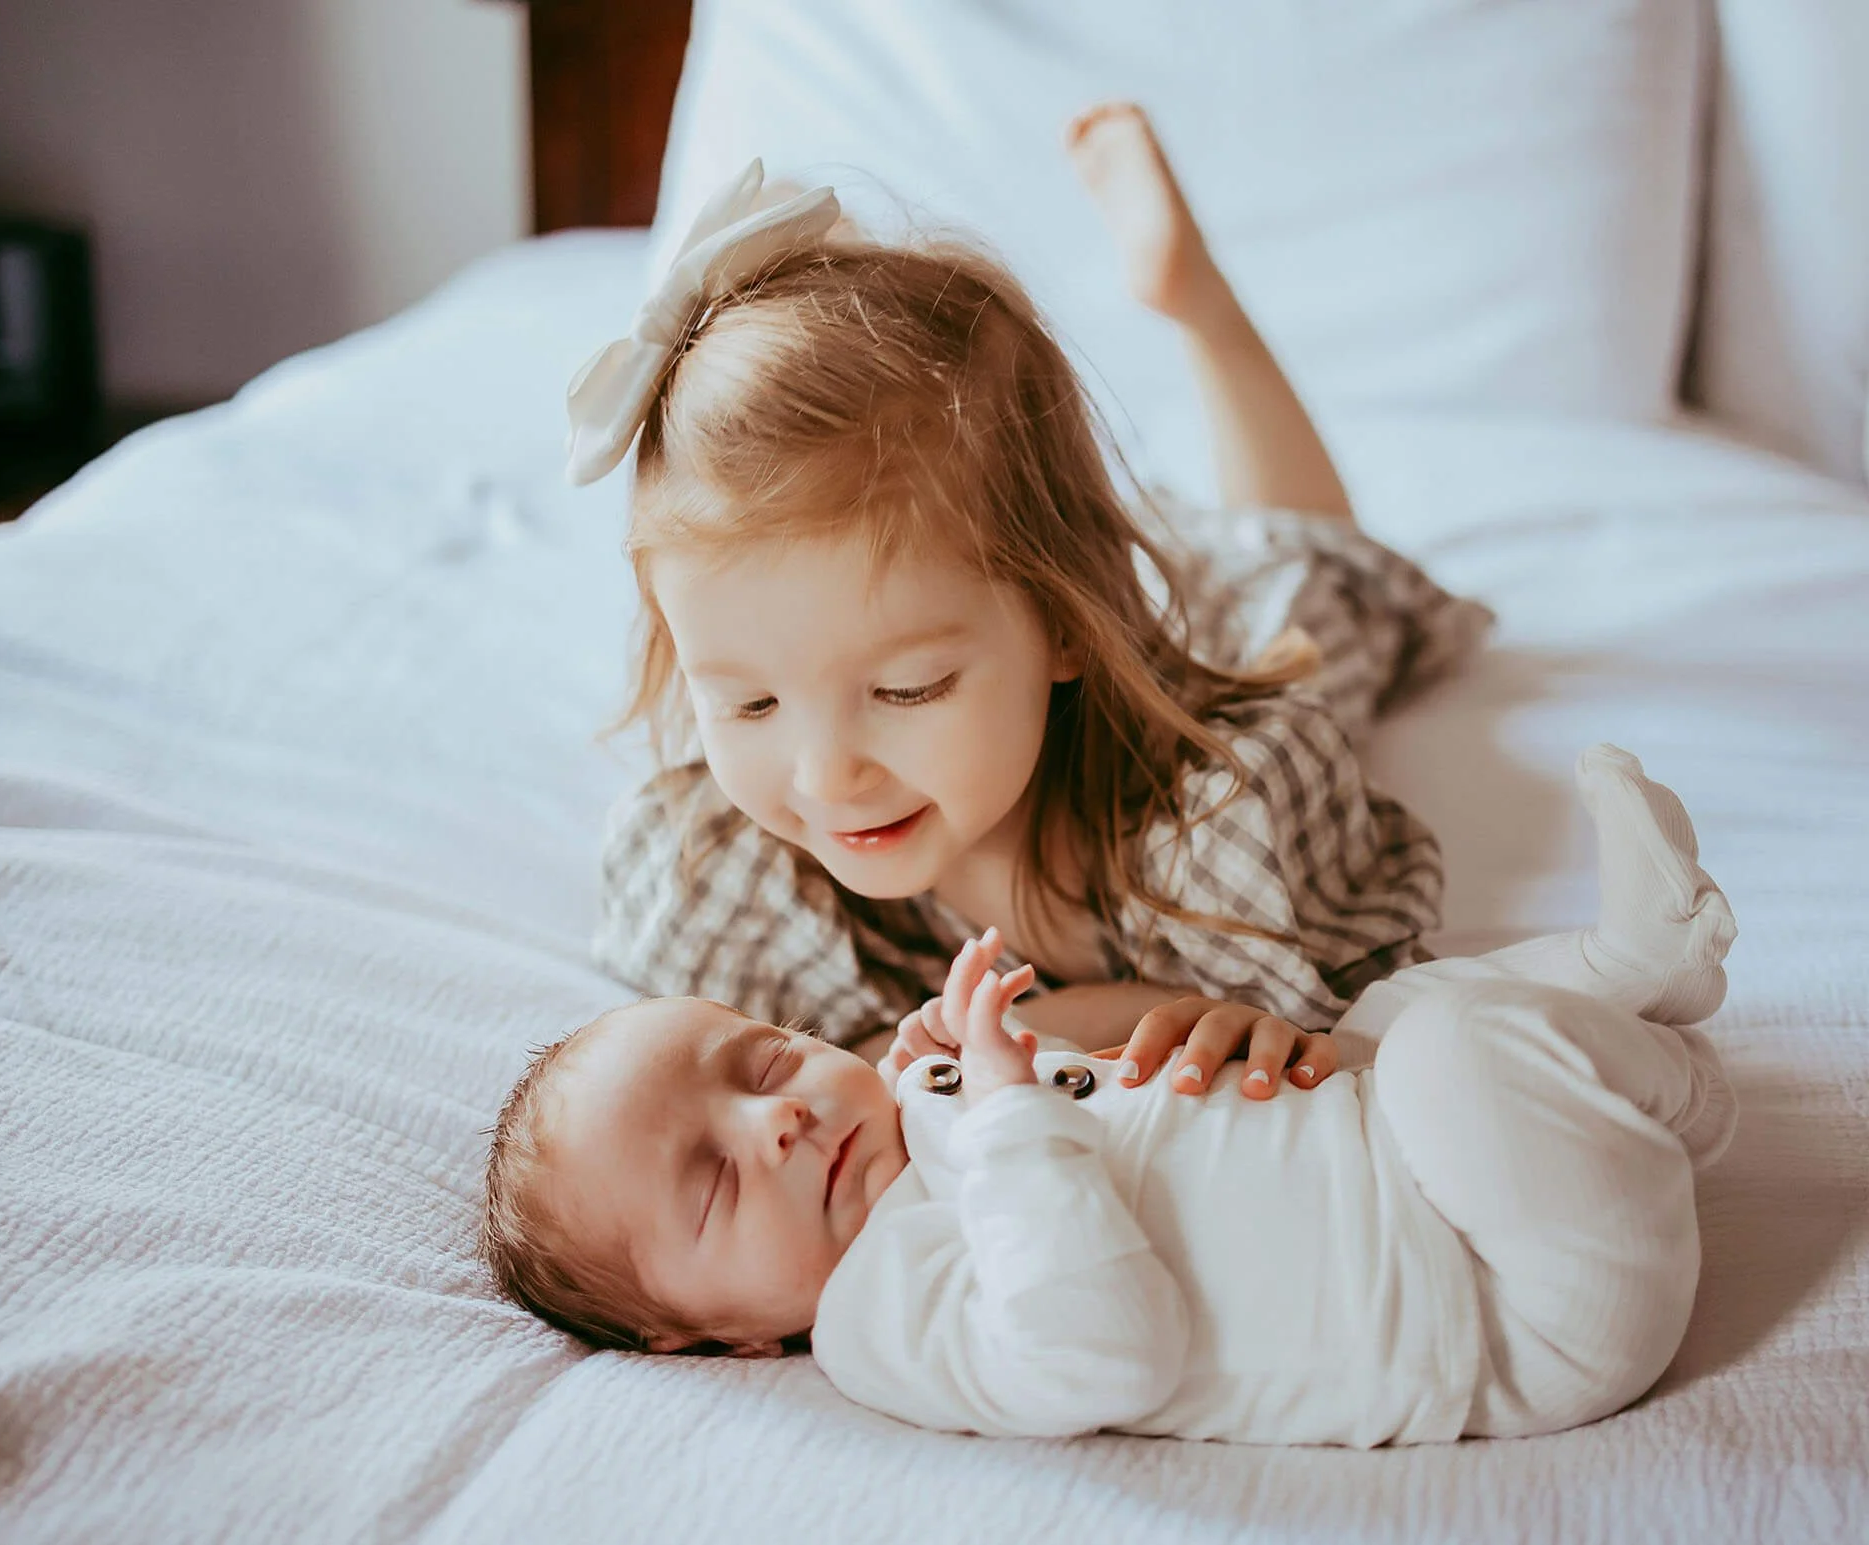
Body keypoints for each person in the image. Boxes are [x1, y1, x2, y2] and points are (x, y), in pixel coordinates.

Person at [570, 103, 1490, 1101]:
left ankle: (1200, 307)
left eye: (909, 689)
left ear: (1062, 621)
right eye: (748, 705)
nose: (826, 775)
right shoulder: (726, 880)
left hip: (1187, 678)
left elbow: (1353, 1040)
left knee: (1301, 577)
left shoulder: (1220, 828)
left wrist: (1264, 1031)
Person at [482, 746, 1738, 1445]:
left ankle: (1632, 972)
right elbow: (1101, 1357)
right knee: (1454, 1050)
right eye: (713, 1179)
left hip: (1397, 1142)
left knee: (1398, 1014)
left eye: (764, 1064)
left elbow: (1140, 1051)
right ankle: (1681, 1100)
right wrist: (1008, 1112)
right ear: (715, 1339)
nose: (781, 1121)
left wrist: (1005, 1048)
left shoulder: (925, 1094)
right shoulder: (882, 1316)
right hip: (1504, 1313)